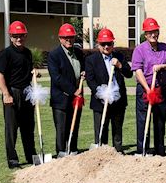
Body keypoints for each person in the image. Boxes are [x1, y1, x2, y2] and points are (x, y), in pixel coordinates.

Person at [131, 18, 166, 156]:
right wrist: (147, 89)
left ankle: (160, 151)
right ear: (145, 34)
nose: (153, 34)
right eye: (150, 32)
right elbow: (137, 71)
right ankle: (143, 150)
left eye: (155, 31)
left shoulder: (165, 47)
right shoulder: (139, 50)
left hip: (161, 89)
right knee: (143, 120)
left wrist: (163, 66)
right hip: (145, 89)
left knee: (160, 121)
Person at [0, 21, 36, 168]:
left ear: (25, 36)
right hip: (12, 92)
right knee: (11, 128)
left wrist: (34, 74)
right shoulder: (5, 54)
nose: (19, 39)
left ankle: (31, 156)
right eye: (16, 36)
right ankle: (12, 160)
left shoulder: (27, 53)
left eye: (22, 36)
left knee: (28, 126)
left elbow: (27, 71)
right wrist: (6, 94)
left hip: (26, 93)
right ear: (11, 36)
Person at [85, 28, 132, 152]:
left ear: (113, 44)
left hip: (118, 102)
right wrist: (101, 93)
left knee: (117, 132)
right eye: (103, 44)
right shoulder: (91, 60)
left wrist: (119, 65)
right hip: (100, 102)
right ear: (98, 44)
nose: (106, 46)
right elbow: (90, 80)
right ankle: (102, 156)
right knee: (101, 131)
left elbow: (129, 74)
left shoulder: (119, 56)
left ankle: (118, 154)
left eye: (109, 44)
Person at [47, 23, 85, 156]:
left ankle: (73, 150)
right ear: (60, 38)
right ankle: (62, 153)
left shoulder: (79, 53)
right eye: (65, 37)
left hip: (77, 98)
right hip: (61, 98)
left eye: (71, 37)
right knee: (62, 128)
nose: (69, 40)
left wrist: (84, 72)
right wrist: (72, 90)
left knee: (74, 126)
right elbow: (56, 77)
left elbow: (83, 68)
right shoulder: (54, 55)